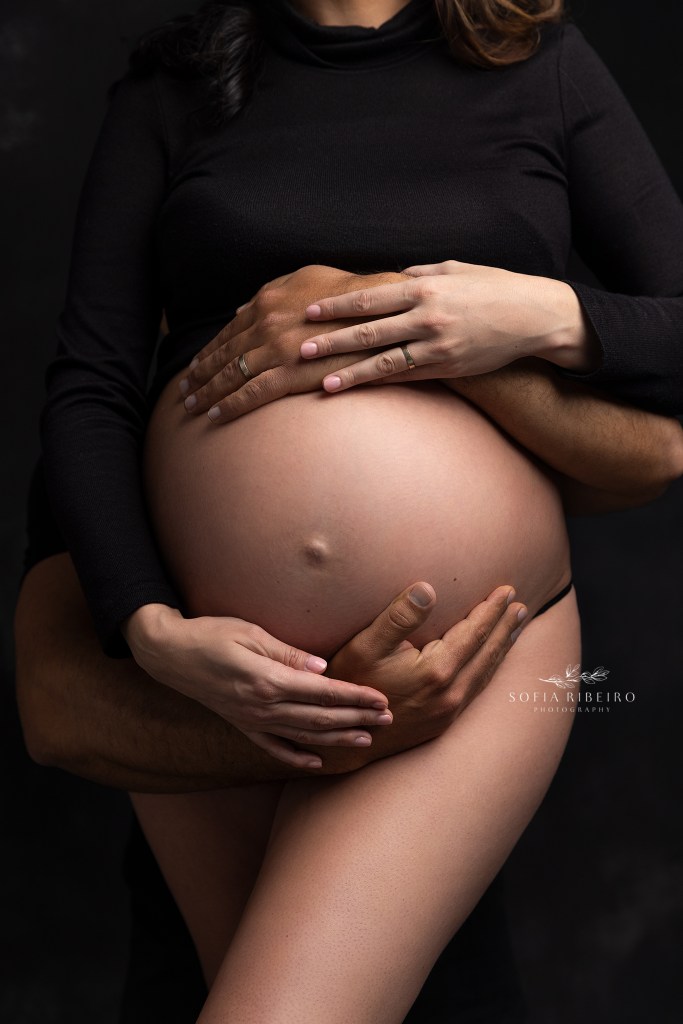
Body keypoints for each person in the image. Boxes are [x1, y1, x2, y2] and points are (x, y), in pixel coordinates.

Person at [17, 0, 683, 1021]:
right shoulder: (177, 85)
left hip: (469, 645)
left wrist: (534, 318)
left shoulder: (532, 60)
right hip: (217, 667)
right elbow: (92, 380)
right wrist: (151, 629)